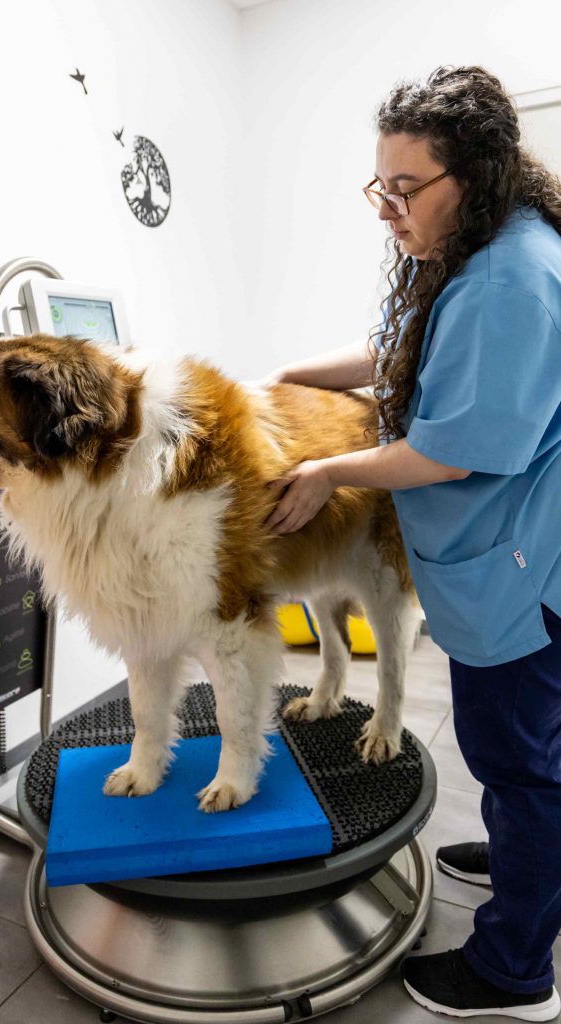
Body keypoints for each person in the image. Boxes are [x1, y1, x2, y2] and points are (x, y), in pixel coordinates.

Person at [262, 66, 561, 1021]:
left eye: (404, 189)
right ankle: (519, 862)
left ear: (470, 174)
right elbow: (405, 356)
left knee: (521, 760)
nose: (386, 208)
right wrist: (287, 377)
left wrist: (325, 471)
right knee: (520, 757)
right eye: (378, 187)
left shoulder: (512, 279)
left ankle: (512, 968)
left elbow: (444, 450)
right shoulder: (476, 246)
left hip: (522, 571)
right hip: (508, 559)